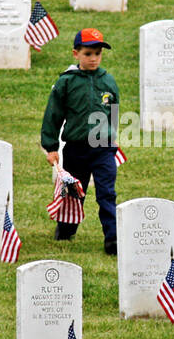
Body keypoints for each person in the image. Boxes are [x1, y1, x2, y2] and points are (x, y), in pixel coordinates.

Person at [40, 29, 120, 255]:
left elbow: (114, 111)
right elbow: (53, 115)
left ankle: (112, 238)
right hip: (76, 148)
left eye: (97, 53)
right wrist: (51, 147)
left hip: (103, 149)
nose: (93, 58)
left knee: (106, 192)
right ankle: (66, 229)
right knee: (74, 191)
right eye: (88, 53)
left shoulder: (108, 81)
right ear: (76, 54)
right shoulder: (66, 82)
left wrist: (111, 140)